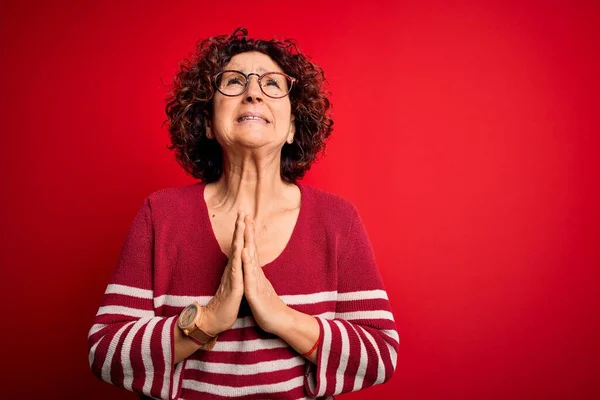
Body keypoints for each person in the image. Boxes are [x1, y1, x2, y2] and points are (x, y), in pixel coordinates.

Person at [87, 27, 399, 400]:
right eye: (233, 82)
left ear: (292, 129)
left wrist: (280, 316)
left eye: (272, 84)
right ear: (205, 123)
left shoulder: (337, 219)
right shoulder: (160, 214)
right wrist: (209, 320)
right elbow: (105, 350)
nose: (253, 92)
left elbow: (380, 354)